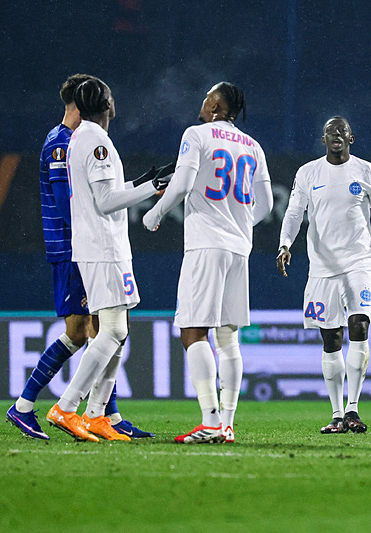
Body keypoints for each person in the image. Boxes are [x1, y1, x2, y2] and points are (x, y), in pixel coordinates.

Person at [6, 74, 154, 440]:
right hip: (72, 249)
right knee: (85, 331)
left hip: (82, 247)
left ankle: (105, 415)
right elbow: (67, 206)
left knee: (102, 329)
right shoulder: (61, 143)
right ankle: (27, 406)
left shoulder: (77, 140)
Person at [143, 82, 273, 444]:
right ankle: (227, 423)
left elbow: (182, 183)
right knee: (229, 336)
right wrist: (240, 223)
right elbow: (265, 205)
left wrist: (154, 213)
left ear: (216, 105)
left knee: (193, 330)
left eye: (206, 97)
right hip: (238, 247)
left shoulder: (196, 134)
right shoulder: (253, 145)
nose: (201, 102)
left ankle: (210, 421)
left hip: (206, 244)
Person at [45, 78, 172, 442]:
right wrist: (149, 190)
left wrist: (145, 181)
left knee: (120, 330)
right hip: (102, 248)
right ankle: (67, 407)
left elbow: (105, 193)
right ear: (107, 104)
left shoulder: (81, 137)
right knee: (114, 330)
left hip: (105, 245)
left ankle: (97, 414)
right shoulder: (95, 140)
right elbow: (104, 202)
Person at [277, 116, 371, 434]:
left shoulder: (365, 170)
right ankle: (337, 414)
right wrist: (285, 244)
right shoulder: (308, 172)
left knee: (359, 325)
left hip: (360, 263)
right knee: (331, 339)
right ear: (323, 138)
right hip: (321, 269)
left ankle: (354, 409)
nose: (336, 135)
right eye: (330, 131)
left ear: (350, 138)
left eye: (341, 131)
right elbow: (293, 212)